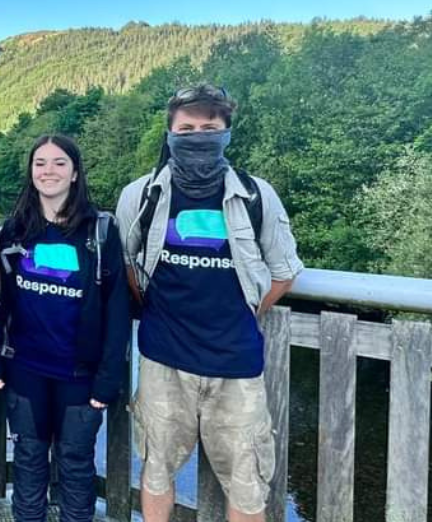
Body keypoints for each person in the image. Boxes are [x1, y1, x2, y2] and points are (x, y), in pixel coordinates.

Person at [114, 85, 304, 522]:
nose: (198, 136)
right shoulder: (140, 196)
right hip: (163, 359)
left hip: (236, 365)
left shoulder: (257, 196)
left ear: (226, 134)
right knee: (156, 471)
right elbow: (128, 262)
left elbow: (284, 271)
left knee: (247, 482)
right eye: (187, 128)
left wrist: (248, 311)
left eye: (209, 127)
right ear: (170, 134)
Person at [0, 135, 130, 522]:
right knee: (29, 461)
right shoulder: (15, 229)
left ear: (75, 172)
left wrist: (108, 380)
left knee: (76, 464)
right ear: (31, 173)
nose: (48, 171)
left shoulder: (100, 232)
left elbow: (118, 312)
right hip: (26, 369)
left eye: (59, 163)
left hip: (79, 376)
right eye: (40, 163)